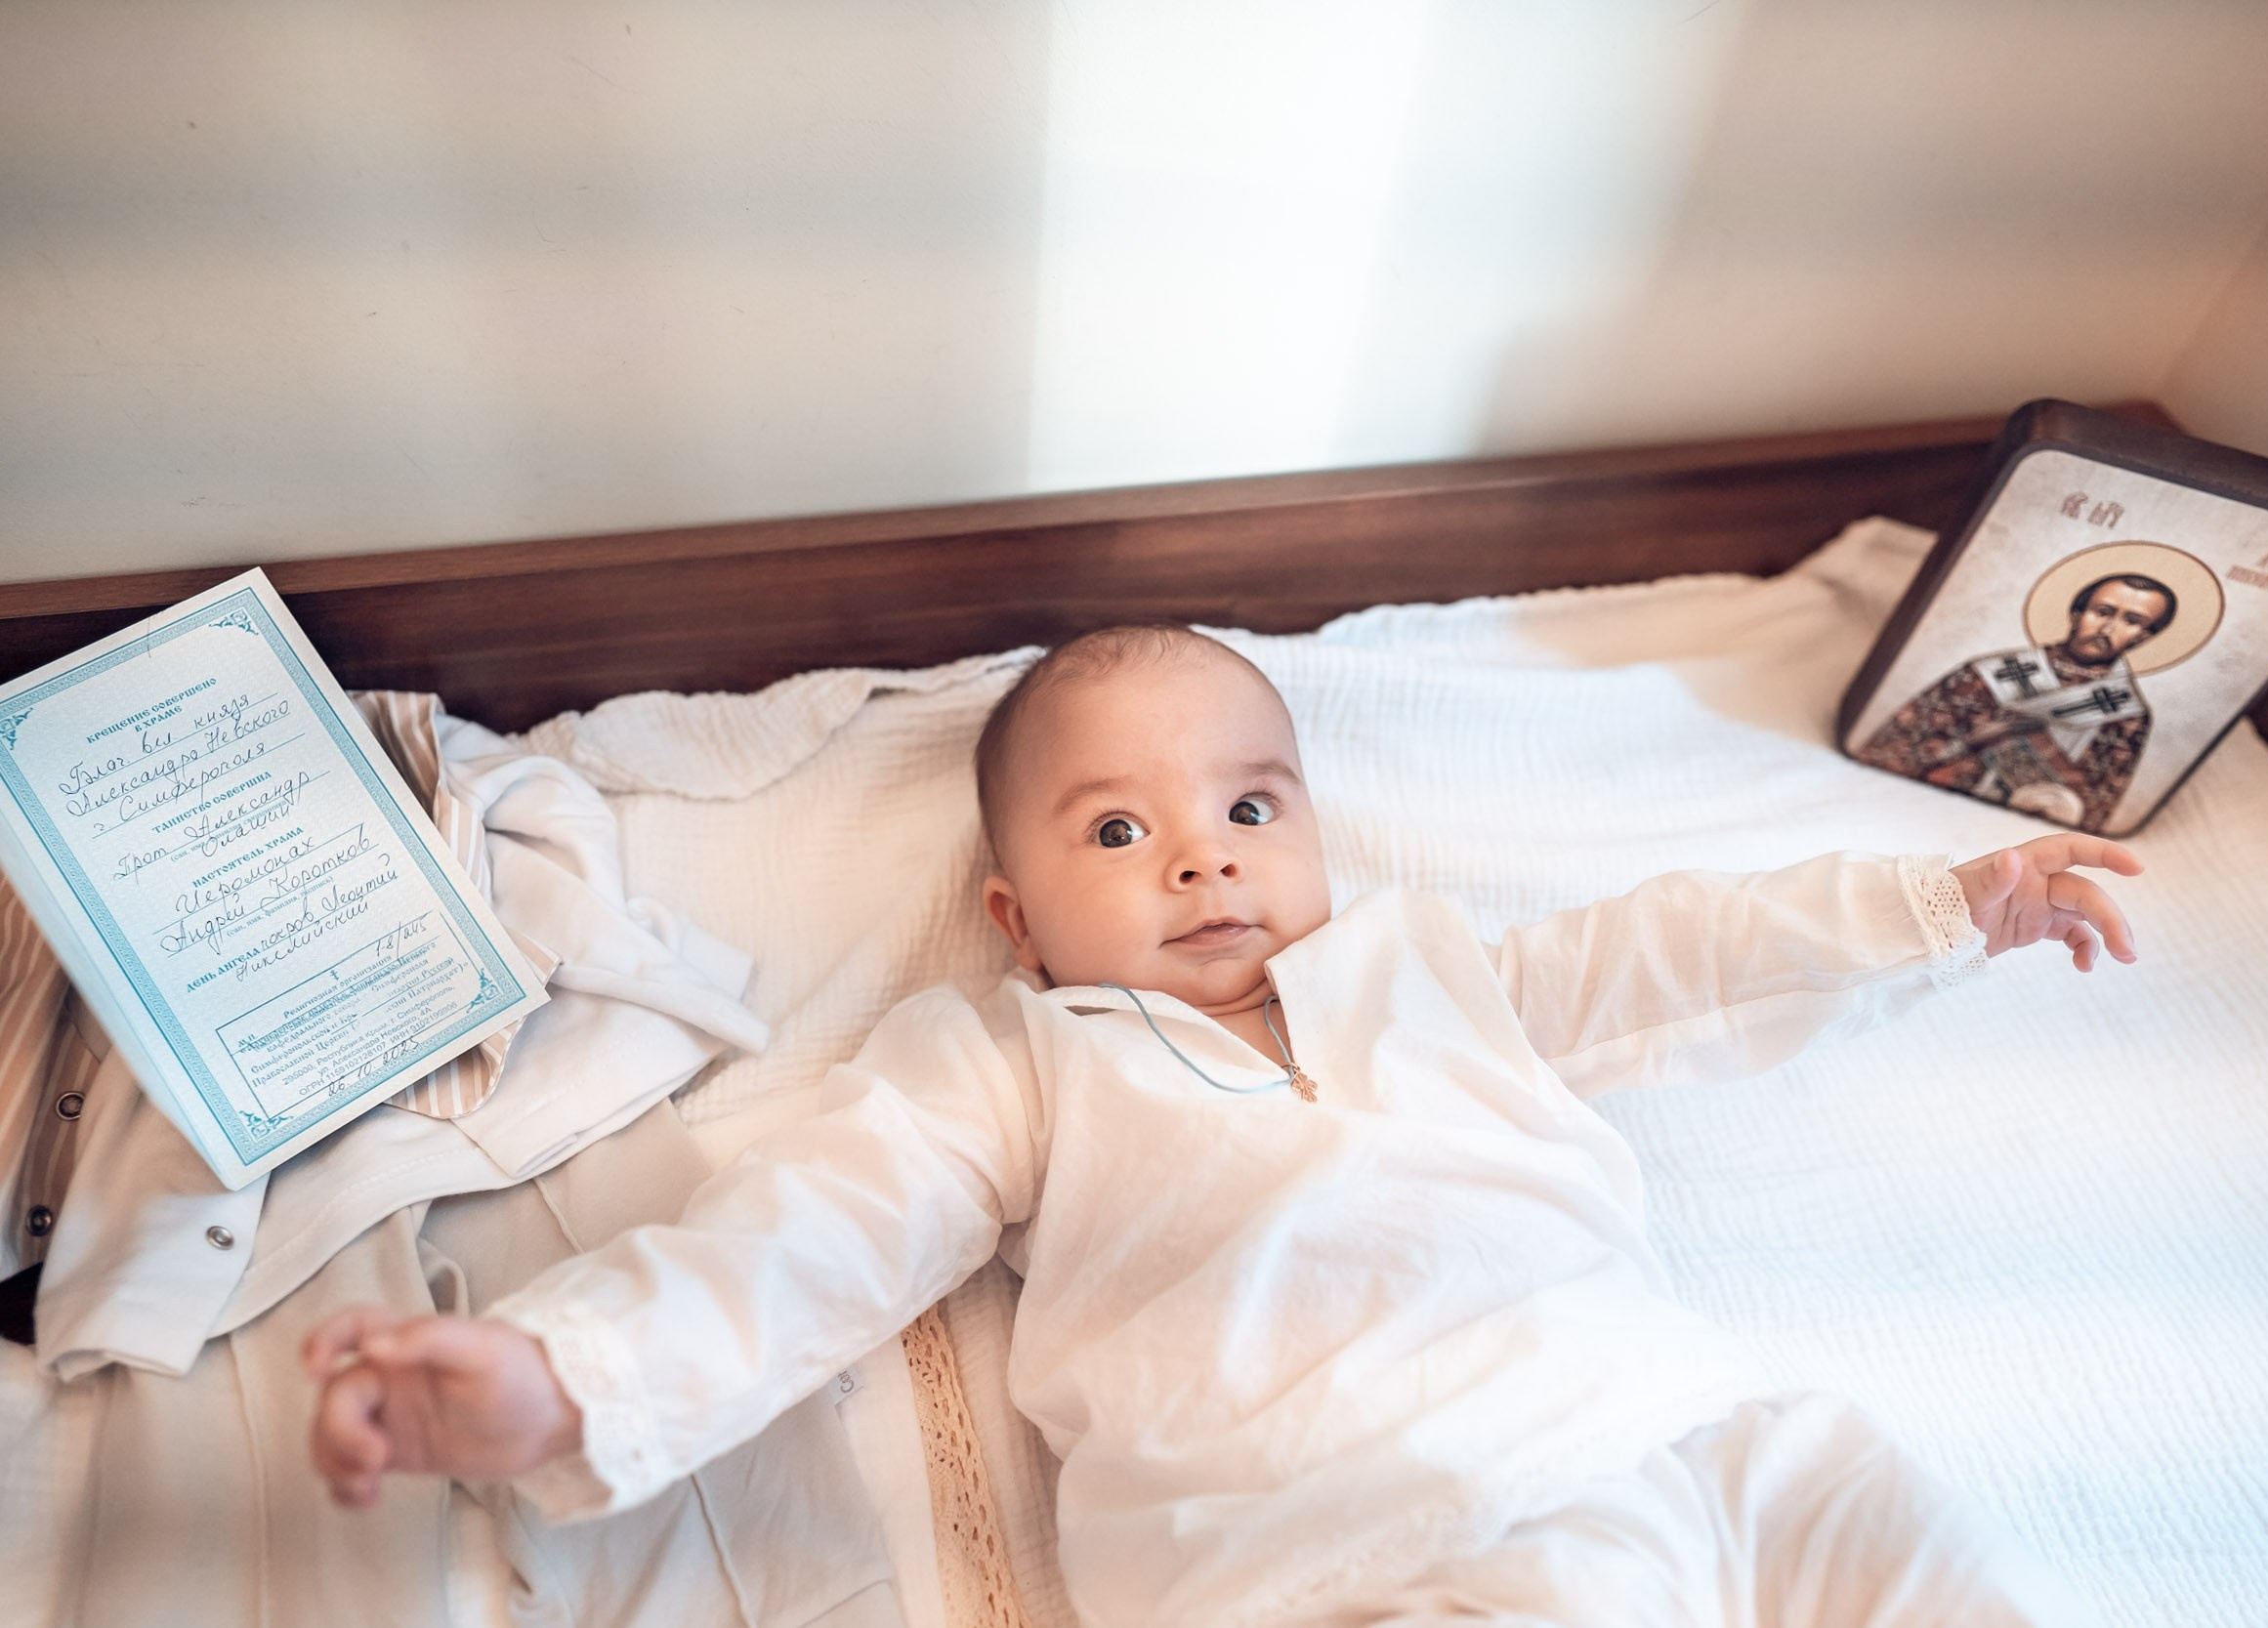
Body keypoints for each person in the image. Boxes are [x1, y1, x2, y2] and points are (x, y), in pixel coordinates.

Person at [306, 626, 2139, 1627]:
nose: (1199, 852)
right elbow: (809, 1237)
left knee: (1884, 1518)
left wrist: (1951, 902)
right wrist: (562, 1376)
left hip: (1685, 1436)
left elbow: (1692, 955)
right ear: (1016, 918)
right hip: (1370, 1537)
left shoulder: (1445, 974)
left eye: (1250, 803)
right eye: (1116, 831)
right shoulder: (1014, 1062)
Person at [1852, 573, 2175, 832]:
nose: (2107, 628)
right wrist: (1971, 742)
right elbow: (1890, 751)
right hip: (1914, 812)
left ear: (2145, 636)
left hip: (2012, 838)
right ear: (2077, 614)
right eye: (2101, 612)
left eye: (2131, 620)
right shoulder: (1985, 675)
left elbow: (2092, 812)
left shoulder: (2126, 714)